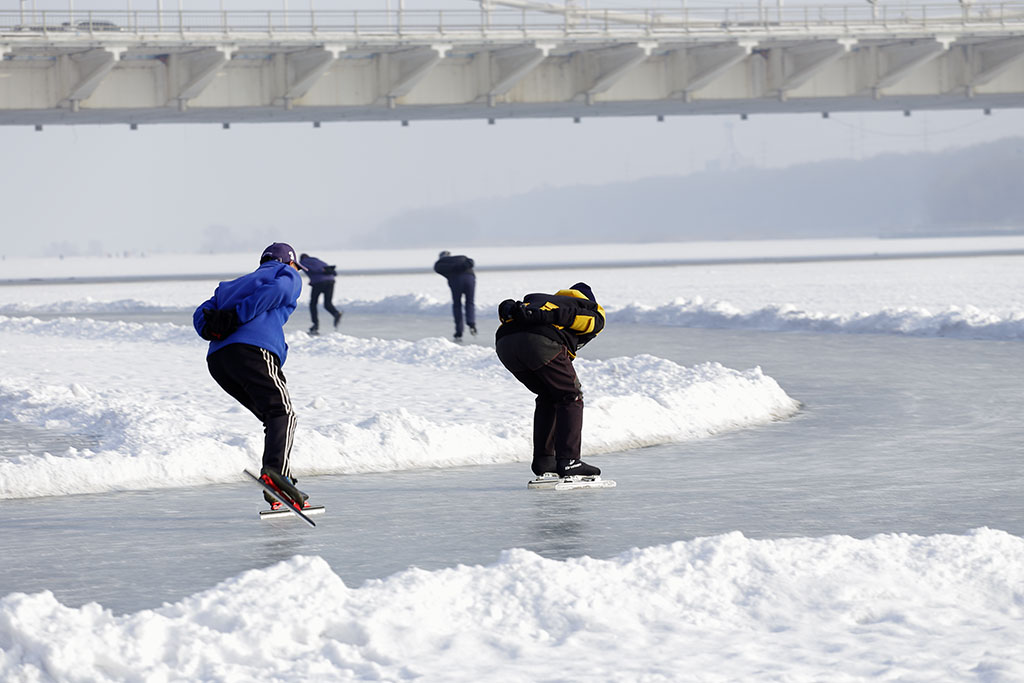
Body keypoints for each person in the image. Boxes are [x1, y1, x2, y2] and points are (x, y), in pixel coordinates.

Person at [193, 242, 312, 512]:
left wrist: (212, 329)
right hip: (254, 352)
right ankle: (277, 475)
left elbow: (201, 313)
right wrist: (237, 316)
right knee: (283, 414)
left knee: (273, 417)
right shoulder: (286, 274)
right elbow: (281, 290)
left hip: (220, 362)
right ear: (289, 262)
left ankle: (282, 483)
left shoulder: (228, 287)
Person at [494, 282, 606, 479]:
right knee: (570, 396)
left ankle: (544, 460)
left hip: (505, 344)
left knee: (549, 395)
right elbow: (576, 317)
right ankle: (570, 461)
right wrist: (544, 318)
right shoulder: (587, 308)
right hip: (539, 342)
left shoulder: (540, 301)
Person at [433, 250, 477, 341]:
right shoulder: (462, 257)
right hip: (470, 278)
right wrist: (463, 266)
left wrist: (456, 269)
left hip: (456, 280)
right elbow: (471, 262)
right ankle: (471, 323)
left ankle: (459, 331)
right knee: (470, 302)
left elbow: (439, 269)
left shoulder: (440, 263)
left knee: (457, 305)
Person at [298, 252, 343, 336]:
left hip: (318, 283)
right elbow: (334, 272)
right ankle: (336, 313)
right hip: (330, 281)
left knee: (313, 304)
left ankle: (315, 326)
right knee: (327, 303)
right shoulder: (318, 261)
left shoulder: (303, 262)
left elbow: (310, 270)